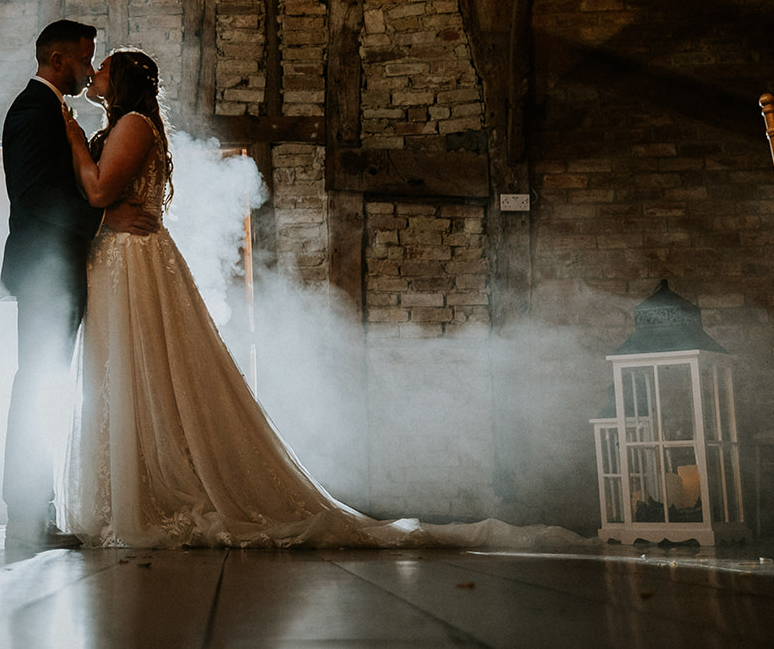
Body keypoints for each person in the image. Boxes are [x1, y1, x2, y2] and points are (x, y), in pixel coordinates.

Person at [54, 48, 586, 550]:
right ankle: (131, 488)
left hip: (134, 260)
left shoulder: (133, 126)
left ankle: (157, 493)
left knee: (141, 368)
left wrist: (74, 138)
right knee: (119, 373)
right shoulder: (121, 126)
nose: (94, 74)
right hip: (116, 257)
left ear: (120, 82)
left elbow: (100, 191)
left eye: (103, 69)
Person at [0, 20, 156, 550]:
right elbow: (35, 196)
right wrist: (105, 221)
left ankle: (34, 511)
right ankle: (25, 516)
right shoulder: (31, 111)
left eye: (97, 63)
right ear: (58, 59)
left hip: (61, 271)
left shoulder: (53, 111)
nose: (90, 70)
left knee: (48, 384)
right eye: (86, 60)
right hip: (46, 272)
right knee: (39, 384)